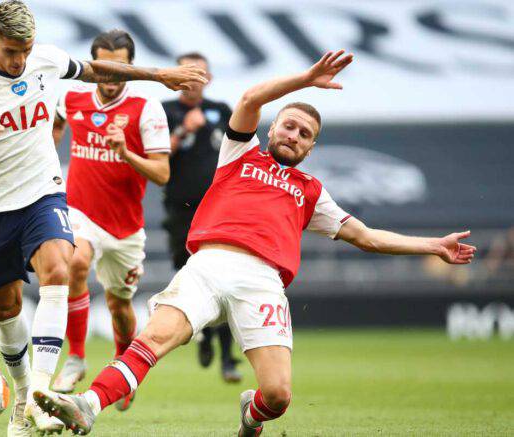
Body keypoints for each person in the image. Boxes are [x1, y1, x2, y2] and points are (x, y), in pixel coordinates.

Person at [31, 49, 477, 436]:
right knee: (155, 339)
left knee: (278, 395)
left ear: (310, 149)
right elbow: (249, 99)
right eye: (289, 126)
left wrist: (433, 246)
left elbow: (366, 236)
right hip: (208, 266)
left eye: (304, 134)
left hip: (263, 283)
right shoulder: (240, 153)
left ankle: (252, 414)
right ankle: (88, 405)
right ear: (272, 128)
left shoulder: (311, 191)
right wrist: (306, 79)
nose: (293, 135)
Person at [0, 2, 206, 436]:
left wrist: (159, 75)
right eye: (11, 51)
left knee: (60, 268)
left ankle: (39, 396)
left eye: (26, 50)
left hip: (42, 193)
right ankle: (23, 396)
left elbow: (97, 70)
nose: (20, 60)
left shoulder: (46, 59)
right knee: (5, 307)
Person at [50, 30, 171, 413]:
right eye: (103, 66)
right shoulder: (71, 96)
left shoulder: (146, 108)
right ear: (92, 65)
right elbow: (54, 125)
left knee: (120, 306)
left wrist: (126, 152)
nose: (111, 75)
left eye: (120, 67)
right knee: (75, 262)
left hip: (125, 227)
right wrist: (47, 154)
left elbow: (162, 174)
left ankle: (121, 365)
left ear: (131, 67)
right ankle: (76, 356)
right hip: (79, 211)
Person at [161, 52, 241, 383]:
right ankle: (205, 334)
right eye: (187, 72)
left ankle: (228, 357)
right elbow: (155, 157)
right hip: (180, 210)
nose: (193, 79)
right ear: (175, 76)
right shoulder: (164, 111)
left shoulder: (222, 110)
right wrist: (182, 131)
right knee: (190, 275)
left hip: (219, 209)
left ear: (209, 78)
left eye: (200, 73)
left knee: (224, 276)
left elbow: (238, 151)